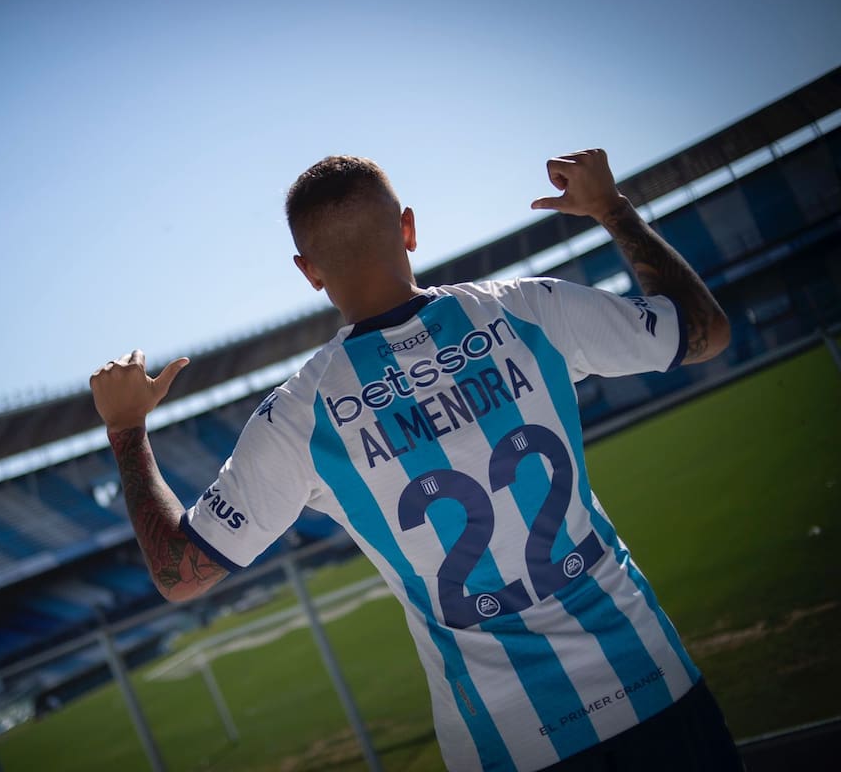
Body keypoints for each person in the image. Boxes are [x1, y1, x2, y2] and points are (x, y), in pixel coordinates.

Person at [89, 150, 743, 771]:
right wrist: (613, 210)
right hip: (652, 680)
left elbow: (180, 573)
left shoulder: (299, 416)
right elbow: (705, 331)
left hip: (513, 739)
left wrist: (126, 429)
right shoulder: (528, 309)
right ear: (408, 228)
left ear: (309, 271)